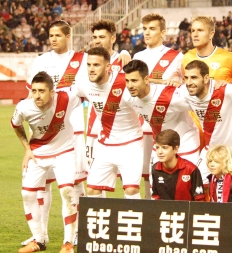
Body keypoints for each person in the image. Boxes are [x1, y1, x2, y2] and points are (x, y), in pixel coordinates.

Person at [22, 20, 87, 247]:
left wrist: (125, 52)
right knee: (43, 186)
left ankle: (74, 234)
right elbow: (32, 96)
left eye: (58, 35)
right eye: (50, 35)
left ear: (68, 36)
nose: (53, 39)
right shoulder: (40, 61)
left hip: (73, 128)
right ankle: (41, 236)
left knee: (72, 185)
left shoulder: (81, 60)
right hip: (43, 133)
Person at [12, 72, 80, 253]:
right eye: (34, 91)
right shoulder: (24, 107)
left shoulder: (67, 98)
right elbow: (15, 125)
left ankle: (68, 243)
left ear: (52, 92)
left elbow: (90, 89)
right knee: (27, 194)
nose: (36, 95)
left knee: (67, 191)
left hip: (64, 152)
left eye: (41, 91)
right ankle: (39, 240)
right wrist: (27, 148)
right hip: (38, 154)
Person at [72, 47, 143, 200]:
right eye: (89, 65)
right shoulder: (83, 83)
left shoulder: (125, 82)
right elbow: (65, 97)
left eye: (96, 65)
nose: (91, 69)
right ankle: (98, 224)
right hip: (105, 144)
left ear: (108, 67)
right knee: (92, 190)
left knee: (131, 190)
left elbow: (147, 88)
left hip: (131, 143)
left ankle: (132, 222)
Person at [132, 13, 185, 199]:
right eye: (144, 29)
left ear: (163, 32)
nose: (147, 33)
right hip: (143, 122)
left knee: (171, 169)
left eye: (152, 29)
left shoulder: (176, 57)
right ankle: (149, 210)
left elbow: (182, 86)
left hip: (167, 122)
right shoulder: (137, 56)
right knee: (147, 172)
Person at [181, 60, 232, 188]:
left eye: (194, 77)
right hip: (212, 151)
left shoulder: (227, 90)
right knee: (196, 187)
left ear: (206, 78)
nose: (189, 83)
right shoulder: (184, 92)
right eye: (186, 78)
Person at [123, 59, 200, 166]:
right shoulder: (129, 97)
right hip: (160, 147)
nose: (130, 85)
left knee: (187, 182)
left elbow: (201, 96)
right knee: (155, 182)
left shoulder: (171, 96)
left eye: (134, 81)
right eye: (127, 81)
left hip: (184, 146)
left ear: (146, 80)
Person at [86, 19, 131, 200]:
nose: (97, 40)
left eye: (102, 37)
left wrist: (127, 53)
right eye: (95, 37)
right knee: (96, 181)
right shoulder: (88, 61)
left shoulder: (124, 61)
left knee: (128, 182)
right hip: (94, 130)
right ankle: (102, 218)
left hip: (122, 132)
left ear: (113, 38)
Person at [151, 129, 205, 201]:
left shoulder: (191, 169)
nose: (159, 152)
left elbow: (199, 200)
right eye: (157, 147)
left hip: (186, 211)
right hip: (164, 211)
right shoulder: (155, 169)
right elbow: (156, 196)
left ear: (176, 149)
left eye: (164, 148)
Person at [182, 16, 232, 83]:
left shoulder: (229, 57)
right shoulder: (187, 57)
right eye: (193, 31)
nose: (195, 34)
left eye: (200, 30)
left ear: (211, 34)